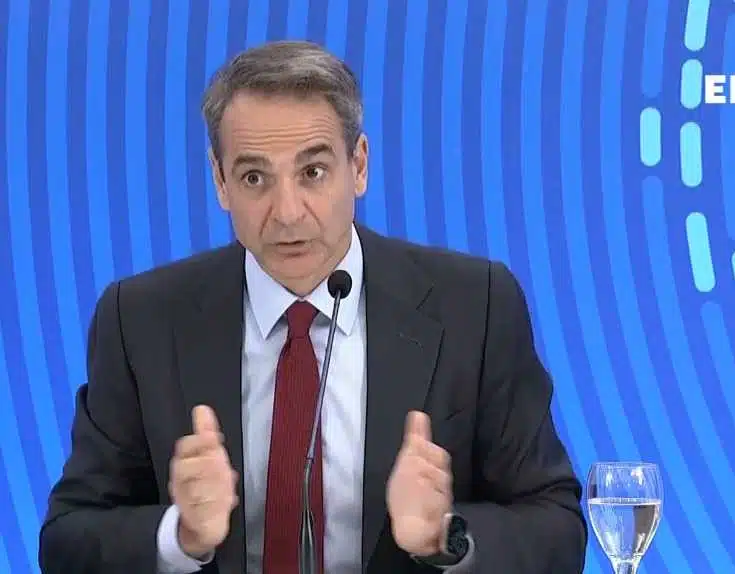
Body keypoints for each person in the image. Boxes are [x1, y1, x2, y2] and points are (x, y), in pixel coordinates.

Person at [38, 40, 587, 574]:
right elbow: (67, 539)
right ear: (221, 181)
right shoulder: (140, 320)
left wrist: (446, 536)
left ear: (359, 166)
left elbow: (557, 528)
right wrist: (179, 536)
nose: (287, 213)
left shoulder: (476, 306)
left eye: (313, 172)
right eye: (255, 177)